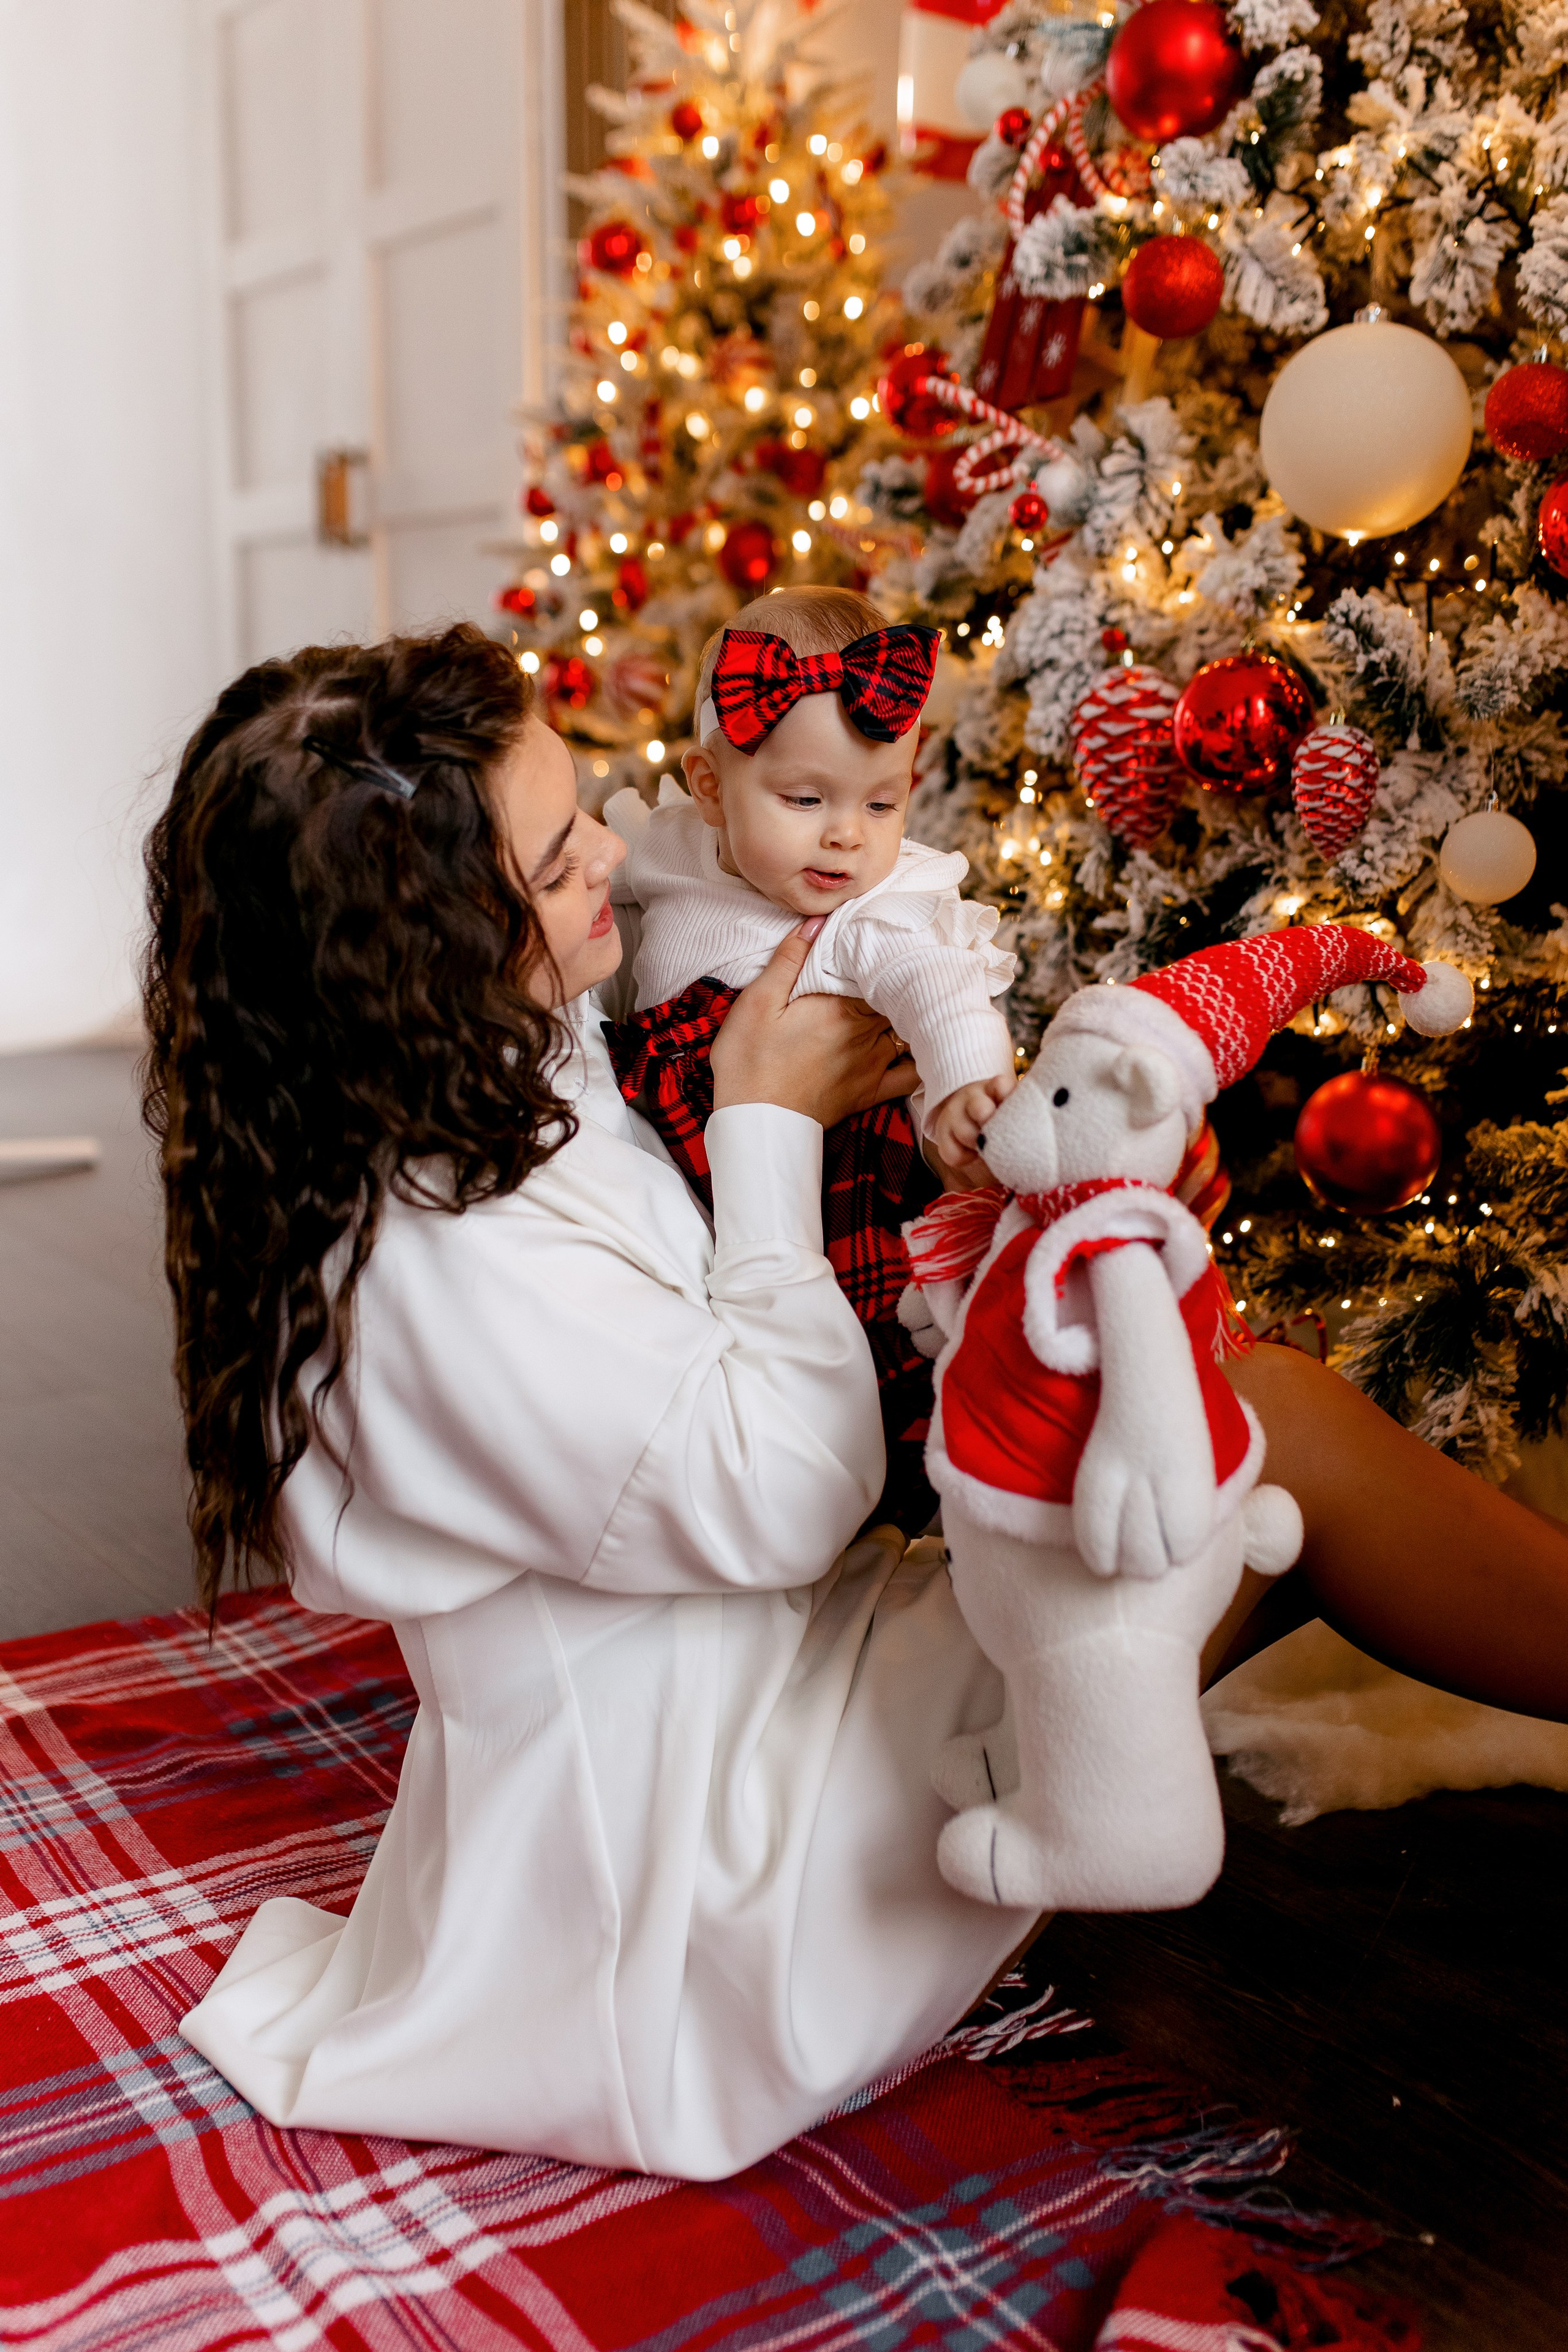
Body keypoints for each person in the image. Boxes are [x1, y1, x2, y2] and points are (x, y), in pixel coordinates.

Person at [148, 624, 1568, 2182]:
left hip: (745, 1688)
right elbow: (788, 1494)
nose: (616, 858)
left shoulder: (460, 1069)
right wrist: (769, 1122)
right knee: (1265, 1432)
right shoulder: (437, 1264)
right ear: (414, 953)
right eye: (559, 866)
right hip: (706, 1886)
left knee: (1198, 1409)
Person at [601, 586, 1018, 1532]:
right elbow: (596, 879)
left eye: (883, 801)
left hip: (836, 1183)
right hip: (682, 1172)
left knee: (872, 1356)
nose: (848, 835)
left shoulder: (868, 910)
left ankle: (910, 1521)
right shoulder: (668, 849)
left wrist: (969, 1083)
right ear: (708, 786)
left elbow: (937, 982)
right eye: (806, 799)